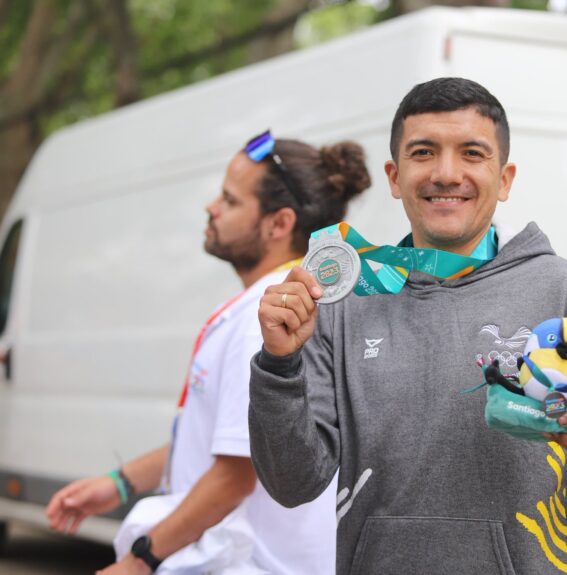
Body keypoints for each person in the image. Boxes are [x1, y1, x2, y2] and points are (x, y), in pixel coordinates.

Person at [249, 78, 567, 574]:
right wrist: (279, 364)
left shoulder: (565, 293)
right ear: (394, 176)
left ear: (505, 179)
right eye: (423, 152)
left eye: (472, 153)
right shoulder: (344, 303)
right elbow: (292, 484)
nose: (446, 174)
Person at [46, 131, 371, 574]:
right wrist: (121, 483)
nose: (211, 207)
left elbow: (235, 476)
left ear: (279, 224)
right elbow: (228, 435)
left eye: (229, 200)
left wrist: (140, 561)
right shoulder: (279, 303)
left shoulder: (269, 317)